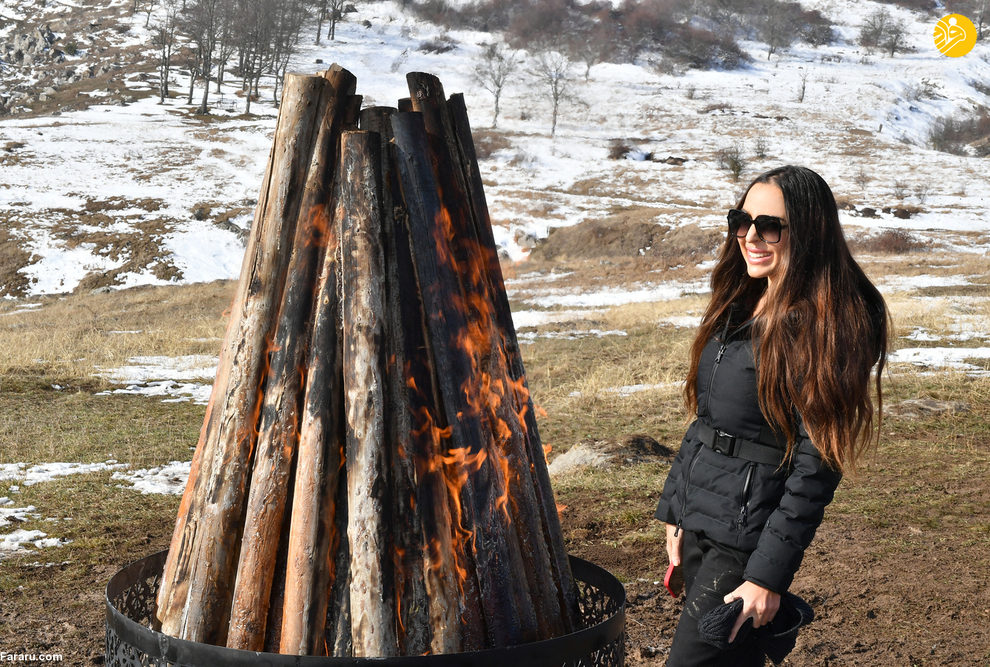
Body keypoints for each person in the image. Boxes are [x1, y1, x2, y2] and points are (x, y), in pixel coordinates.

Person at [655, 165, 888, 666]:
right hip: (701, 519)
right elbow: (707, 423)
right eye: (742, 220)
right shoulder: (741, 301)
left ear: (808, 231)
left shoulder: (827, 326)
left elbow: (815, 467)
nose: (750, 237)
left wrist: (765, 577)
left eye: (769, 226)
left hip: (746, 538)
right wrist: (676, 510)